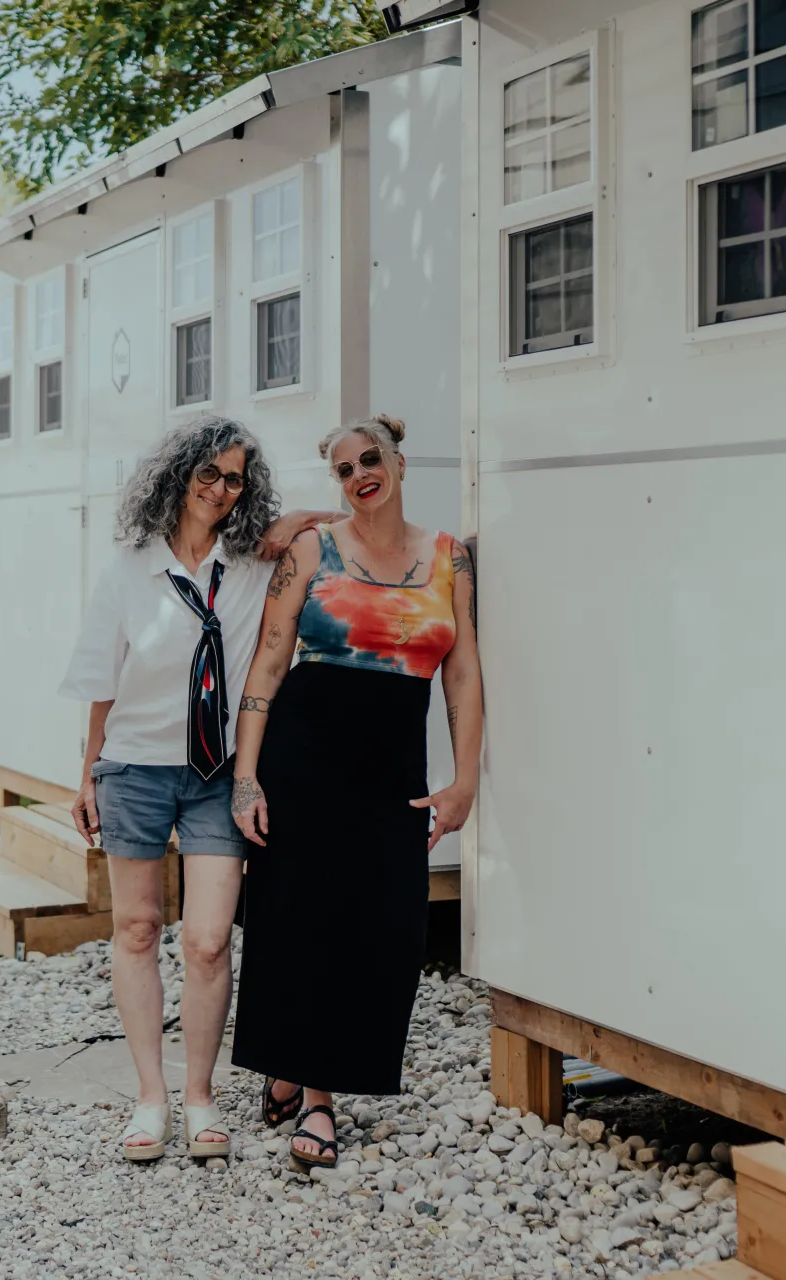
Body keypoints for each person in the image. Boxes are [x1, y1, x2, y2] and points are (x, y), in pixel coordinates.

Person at [58, 414, 339, 1162]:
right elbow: (102, 680)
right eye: (207, 472)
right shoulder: (130, 568)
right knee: (138, 928)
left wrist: (293, 519)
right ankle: (151, 1098)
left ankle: (200, 1096)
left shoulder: (251, 564)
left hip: (219, 775)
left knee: (210, 941)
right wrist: (87, 774)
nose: (219, 488)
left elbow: (340, 522)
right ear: (179, 475)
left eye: (235, 479)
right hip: (135, 769)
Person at [229, 413, 484, 1170]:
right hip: (303, 758)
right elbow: (269, 661)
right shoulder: (314, 548)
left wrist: (464, 779)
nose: (359, 475)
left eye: (370, 459)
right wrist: (246, 777)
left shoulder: (451, 558)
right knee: (306, 922)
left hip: (392, 770)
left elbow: (463, 673)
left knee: (384, 929)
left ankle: (290, 1067)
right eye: (343, 469)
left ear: (400, 463)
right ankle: (318, 1098)